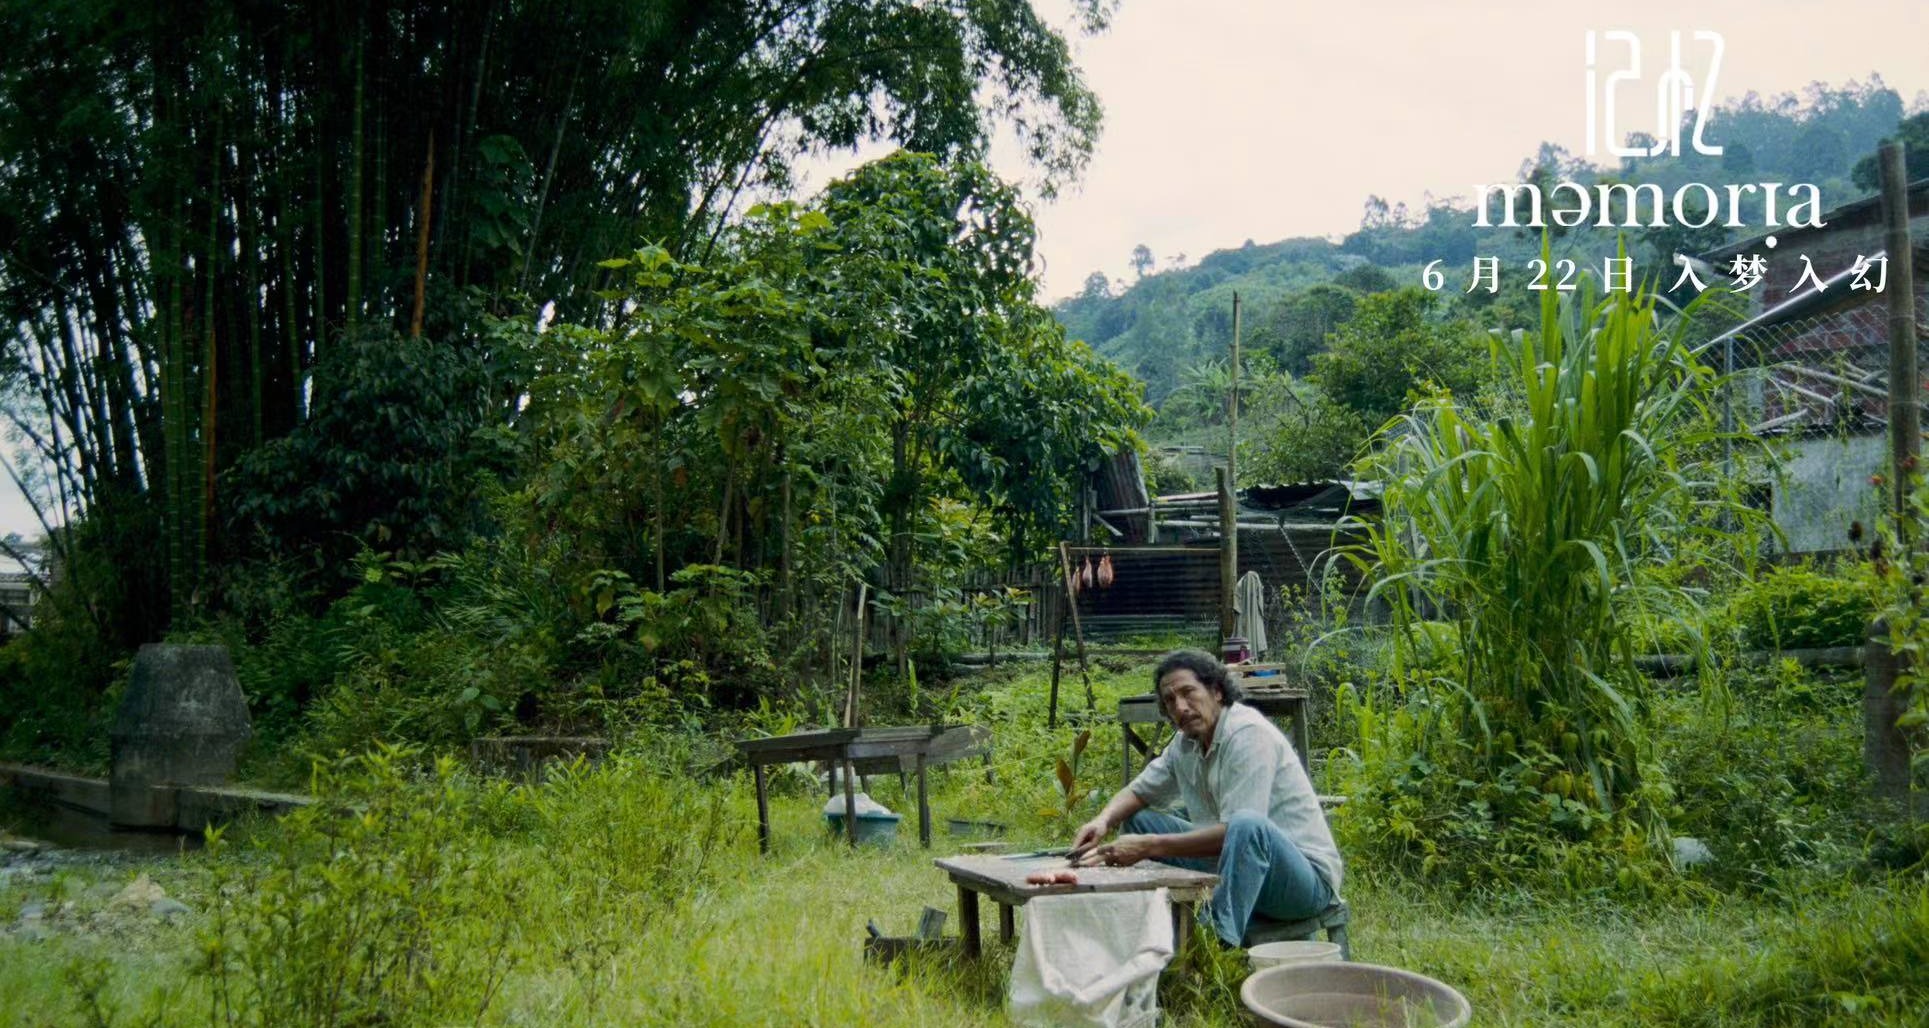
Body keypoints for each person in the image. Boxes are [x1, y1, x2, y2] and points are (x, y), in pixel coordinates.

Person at [1070, 649, 1342, 947]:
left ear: (1217, 692)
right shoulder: (1184, 744)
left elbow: (1239, 833)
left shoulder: (1248, 734)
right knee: (1139, 819)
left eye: (1188, 693)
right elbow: (1139, 791)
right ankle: (1156, 932)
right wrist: (1103, 820)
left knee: (1246, 824)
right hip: (1233, 865)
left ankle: (1212, 945)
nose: (1180, 707)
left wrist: (1149, 845)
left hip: (1302, 885)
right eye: (1170, 700)